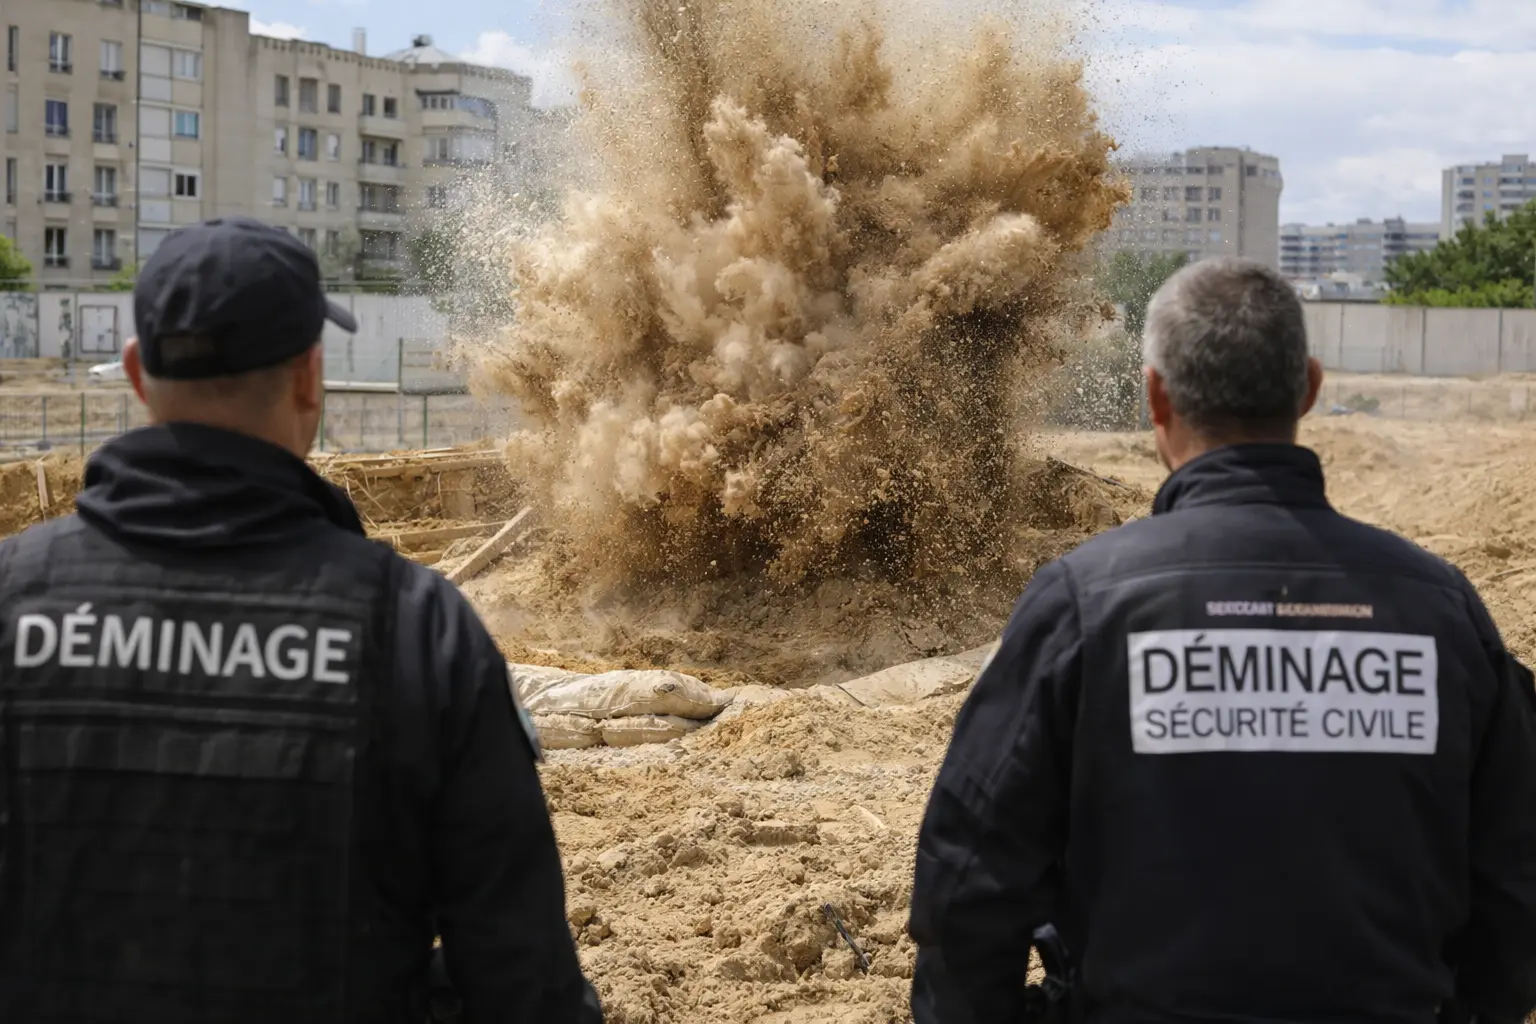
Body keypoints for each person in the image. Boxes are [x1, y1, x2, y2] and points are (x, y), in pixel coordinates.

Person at [0, 216, 603, 1023]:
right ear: (310, 378)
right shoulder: (418, 632)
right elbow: (523, 983)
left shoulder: (13, 598)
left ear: (139, 375)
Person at [908, 256, 1536, 1024]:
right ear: (1309, 387)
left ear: (1155, 397)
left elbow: (967, 886)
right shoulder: (1442, 611)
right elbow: (1515, 883)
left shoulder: (1084, 603)